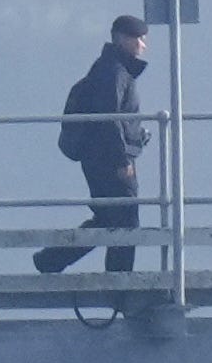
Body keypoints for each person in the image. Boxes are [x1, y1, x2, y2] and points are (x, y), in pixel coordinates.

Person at [35, 14, 153, 276]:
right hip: (110, 160)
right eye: (138, 38)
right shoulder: (114, 72)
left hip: (100, 157)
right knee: (126, 222)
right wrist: (122, 159)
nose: (142, 44)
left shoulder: (109, 68)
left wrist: (136, 136)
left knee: (108, 218)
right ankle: (119, 283)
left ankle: (51, 260)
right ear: (121, 39)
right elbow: (109, 118)